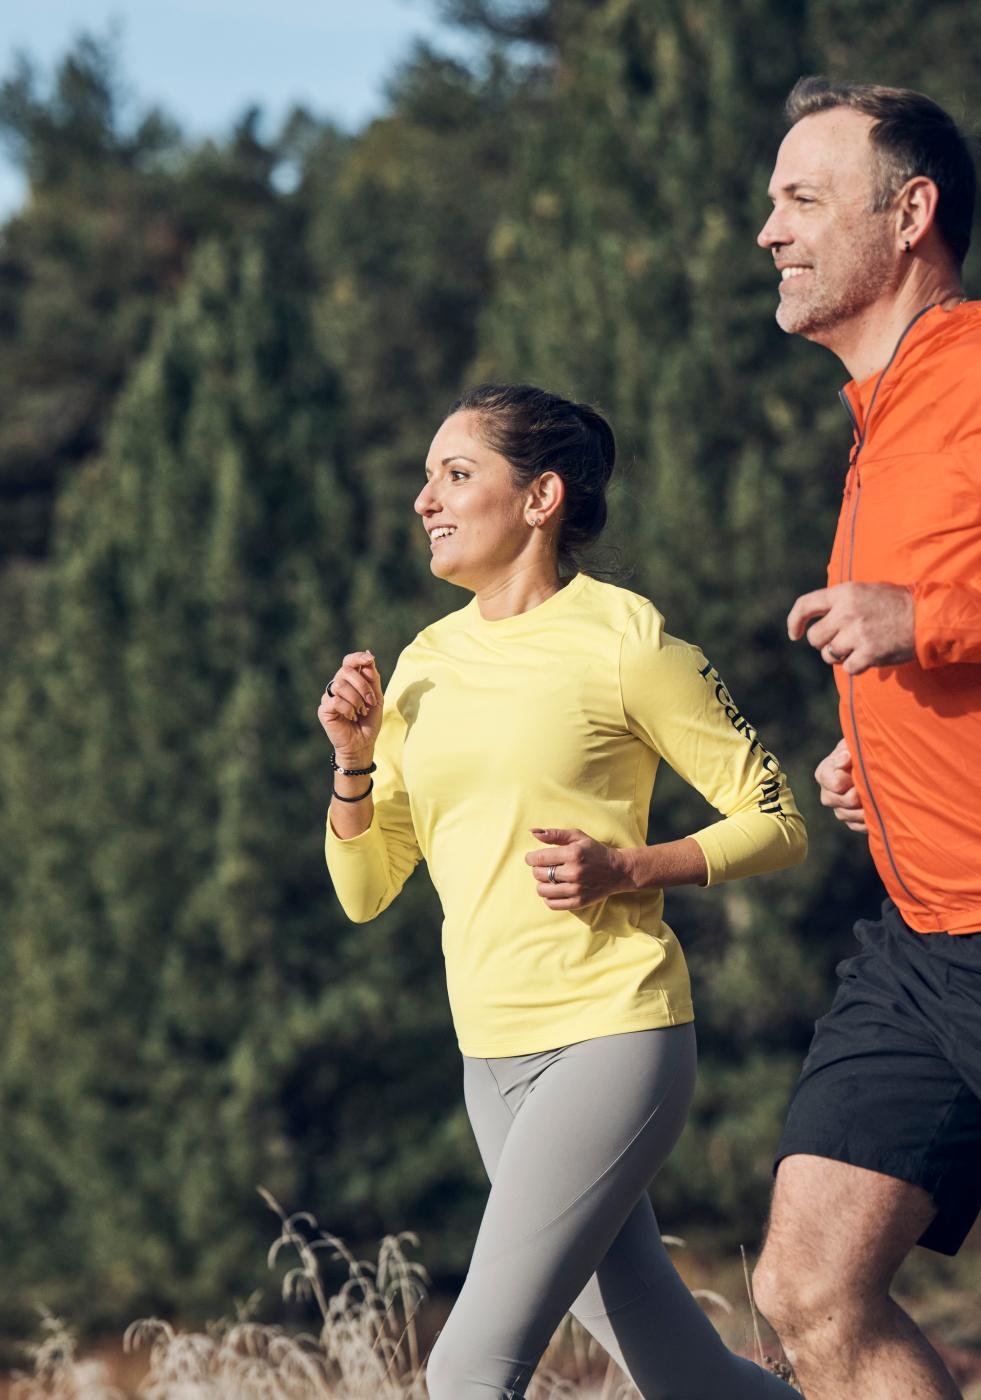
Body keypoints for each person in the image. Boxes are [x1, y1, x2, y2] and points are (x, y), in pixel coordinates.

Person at [318, 383, 807, 1400]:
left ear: (538, 497)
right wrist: (353, 762)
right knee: (679, 1369)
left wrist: (633, 864)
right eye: (425, 477)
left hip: (610, 1034)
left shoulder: (625, 640)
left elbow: (775, 817)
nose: (424, 499)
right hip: (487, 1056)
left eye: (456, 473)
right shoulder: (424, 662)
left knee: (465, 1368)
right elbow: (367, 887)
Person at [751, 76, 981, 1400]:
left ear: (911, 213)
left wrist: (930, 620)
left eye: (801, 199)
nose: (769, 232)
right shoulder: (882, 417)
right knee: (808, 1285)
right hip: (925, 944)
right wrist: (880, 750)